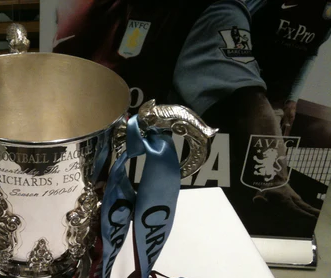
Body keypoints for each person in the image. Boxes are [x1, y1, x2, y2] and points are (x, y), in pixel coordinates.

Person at [52, 0, 320, 236]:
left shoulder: (211, 9)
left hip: (150, 196)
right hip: (82, 184)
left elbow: (246, 98)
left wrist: (273, 179)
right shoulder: (93, 9)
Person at [246, 0, 331, 136]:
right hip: (240, 88)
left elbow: (310, 55)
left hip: (275, 99)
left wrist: (292, 100)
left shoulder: (326, 16)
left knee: (266, 146)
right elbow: (235, 28)